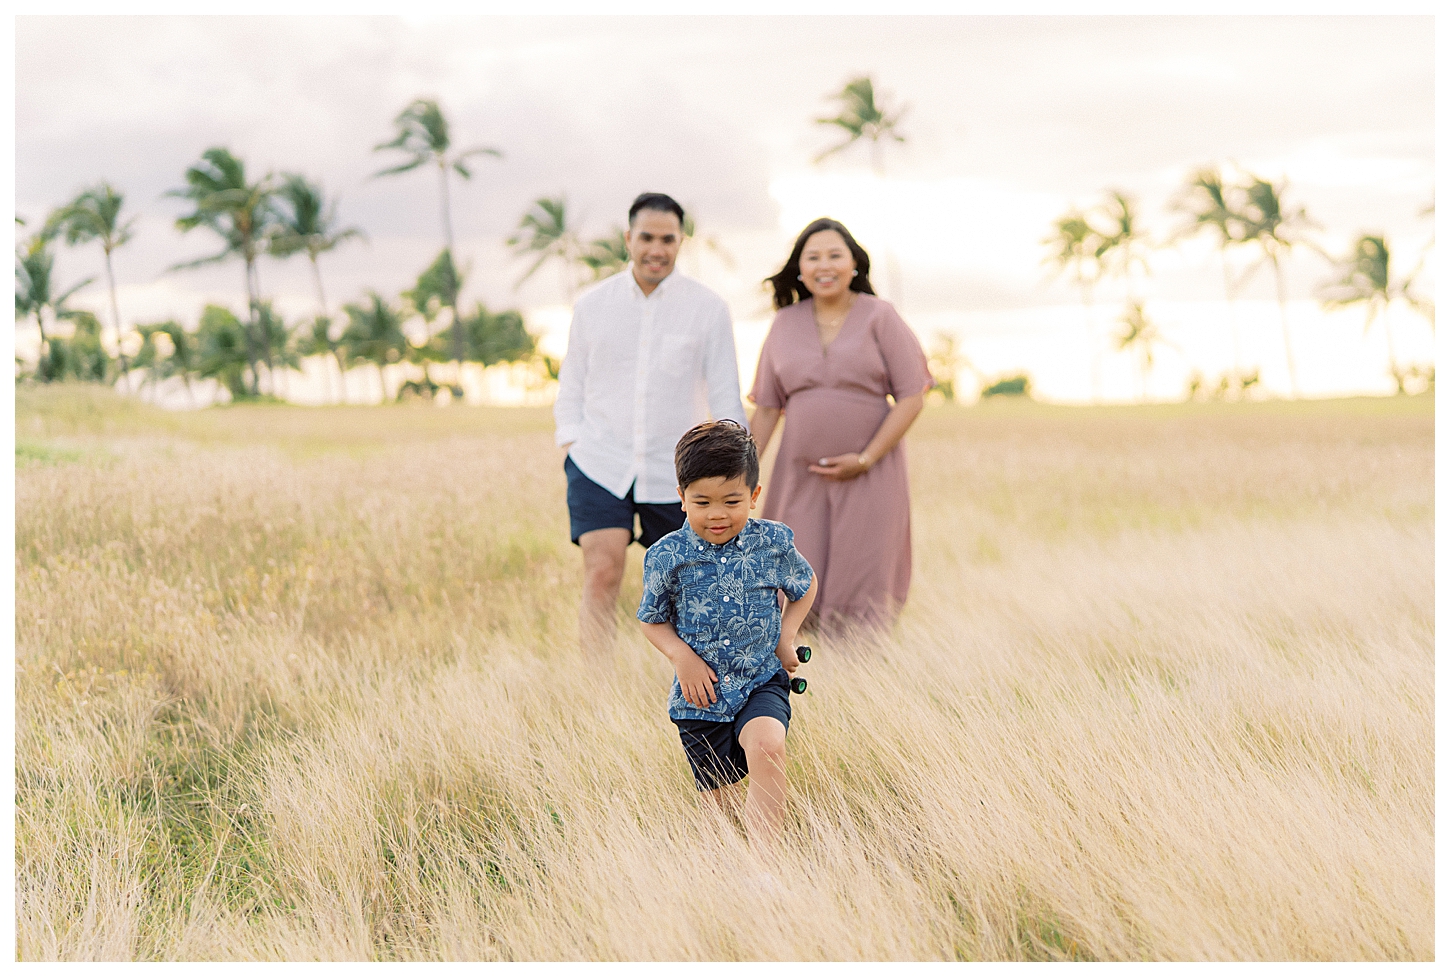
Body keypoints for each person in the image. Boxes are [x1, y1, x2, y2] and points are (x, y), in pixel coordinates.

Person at [554, 193, 747, 656]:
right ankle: (594, 693)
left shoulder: (708, 308)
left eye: (667, 239)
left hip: (678, 472)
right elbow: (572, 383)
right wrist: (571, 443)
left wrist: (735, 470)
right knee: (602, 571)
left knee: (689, 589)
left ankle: (695, 687)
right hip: (599, 462)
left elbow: (724, 394)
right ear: (628, 239)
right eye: (646, 238)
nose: (656, 249)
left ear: (681, 242)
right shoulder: (592, 305)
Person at [638, 420, 817, 848]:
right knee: (718, 810)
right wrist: (681, 657)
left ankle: (765, 862)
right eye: (702, 502)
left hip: (760, 679)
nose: (717, 514)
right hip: (702, 698)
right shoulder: (667, 556)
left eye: (732, 501)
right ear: (681, 498)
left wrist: (784, 636)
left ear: (754, 495)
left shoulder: (771, 543)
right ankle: (724, 870)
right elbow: (651, 618)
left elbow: (804, 584)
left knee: (769, 746)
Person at [749, 217, 932, 633]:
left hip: (871, 472)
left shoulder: (880, 316)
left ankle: (861, 686)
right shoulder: (784, 323)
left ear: (854, 265)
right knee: (791, 578)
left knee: (864, 578)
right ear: (800, 267)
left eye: (835, 255)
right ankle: (798, 683)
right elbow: (766, 408)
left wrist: (866, 458)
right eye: (813, 256)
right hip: (798, 477)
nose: (824, 265)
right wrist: (737, 477)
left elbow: (912, 395)